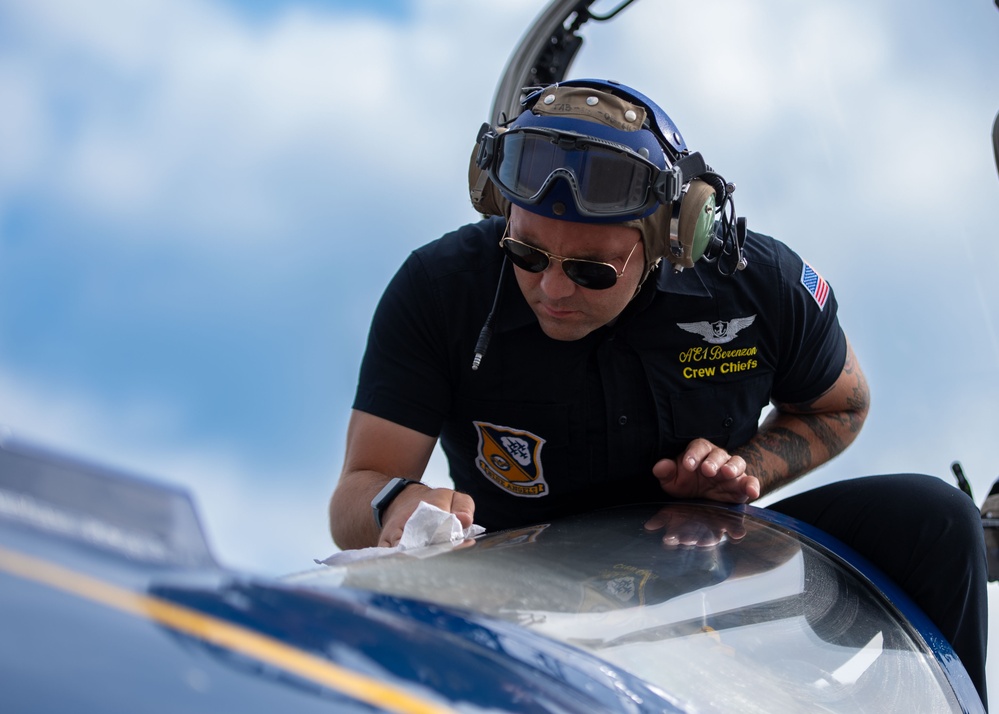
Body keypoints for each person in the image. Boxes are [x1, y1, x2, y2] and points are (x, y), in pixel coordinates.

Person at [329, 79, 988, 705]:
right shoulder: (440, 289)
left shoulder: (763, 289)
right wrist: (398, 505)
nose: (552, 290)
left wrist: (742, 471)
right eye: (527, 256)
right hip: (520, 597)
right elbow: (361, 484)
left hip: (712, 568)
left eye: (590, 271)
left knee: (932, 519)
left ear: (675, 238)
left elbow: (841, 404)